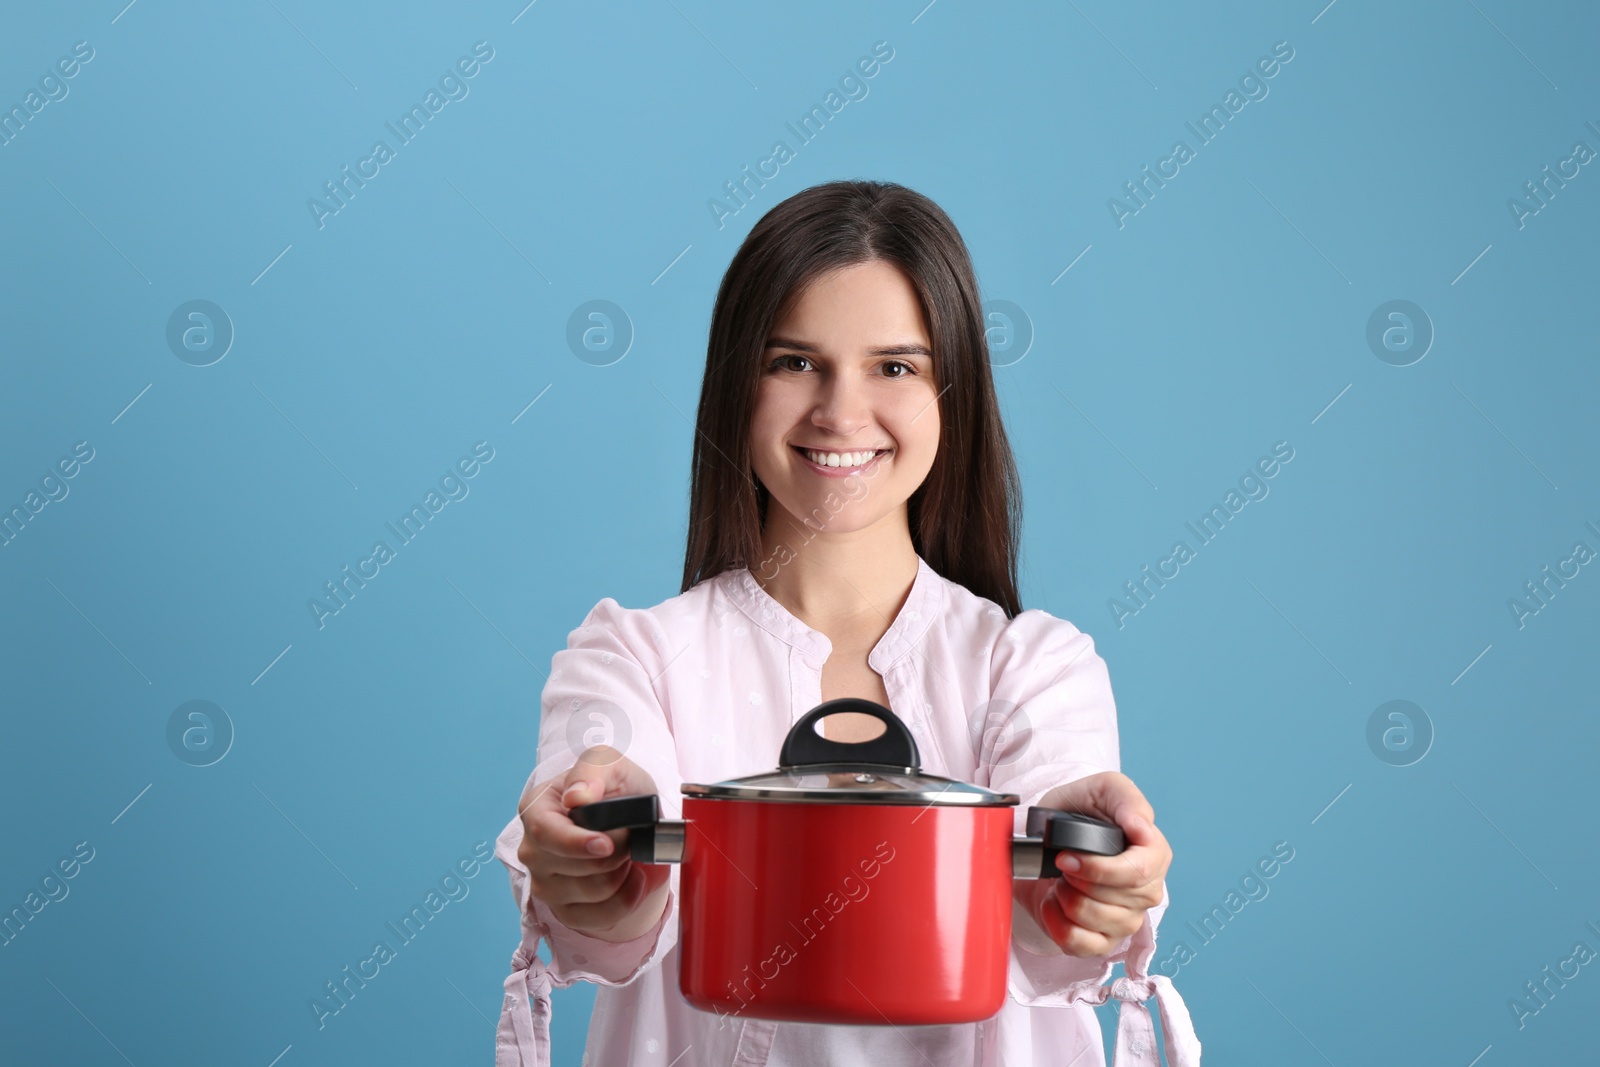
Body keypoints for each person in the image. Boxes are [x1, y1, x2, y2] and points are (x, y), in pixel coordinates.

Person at [494, 180, 1201, 1066]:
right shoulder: (631, 656)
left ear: (955, 393)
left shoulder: (1035, 667)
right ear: (735, 383)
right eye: (794, 362)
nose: (839, 412)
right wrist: (595, 845)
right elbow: (616, 895)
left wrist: (1087, 878)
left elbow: (1050, 873)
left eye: (894, 366)